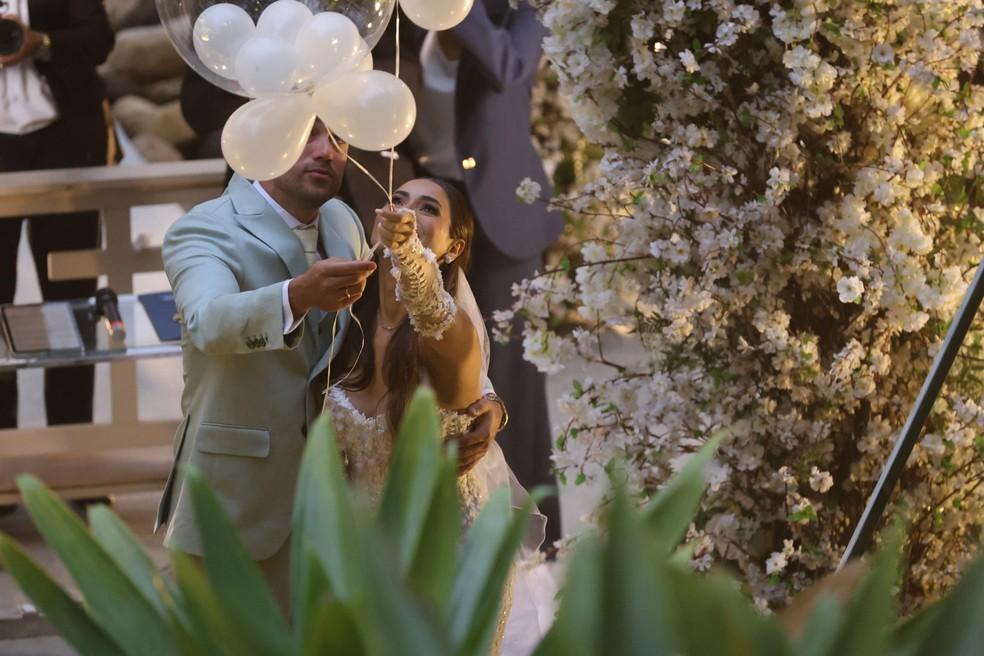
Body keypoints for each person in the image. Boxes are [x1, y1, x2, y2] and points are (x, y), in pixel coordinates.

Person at [154, 119, 505, 615]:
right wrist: (296, 296)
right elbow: (207, 322)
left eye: (338, 138)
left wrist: (484, 399)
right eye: (306, 134)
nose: (328, 151)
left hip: (341, 515)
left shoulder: (341, 220)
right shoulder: (205, 227)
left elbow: (405, 322)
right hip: (240, 504)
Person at [326, 177, 553, 653]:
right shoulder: (342, 324)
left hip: (448, 553)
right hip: (363, 555)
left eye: (428, 209)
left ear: (454, 247)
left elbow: (431, 312)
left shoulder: (454, 333)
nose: (407, 214)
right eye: (399, 200)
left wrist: (407, 252)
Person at [405, 0, 564, 545]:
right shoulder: (398, 19)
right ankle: (449, 529)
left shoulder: (516, 15)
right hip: (424, 217)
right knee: (429, 373)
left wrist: (457, 9)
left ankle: (534, 542)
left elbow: (509, 69)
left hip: (500, 223)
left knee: (512, 381)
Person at [0, 0, 115, 428]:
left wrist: (40, 43)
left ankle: (73, 453)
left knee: (72, 305)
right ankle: (4, 465)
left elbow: (100, 39)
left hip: (65, 143)